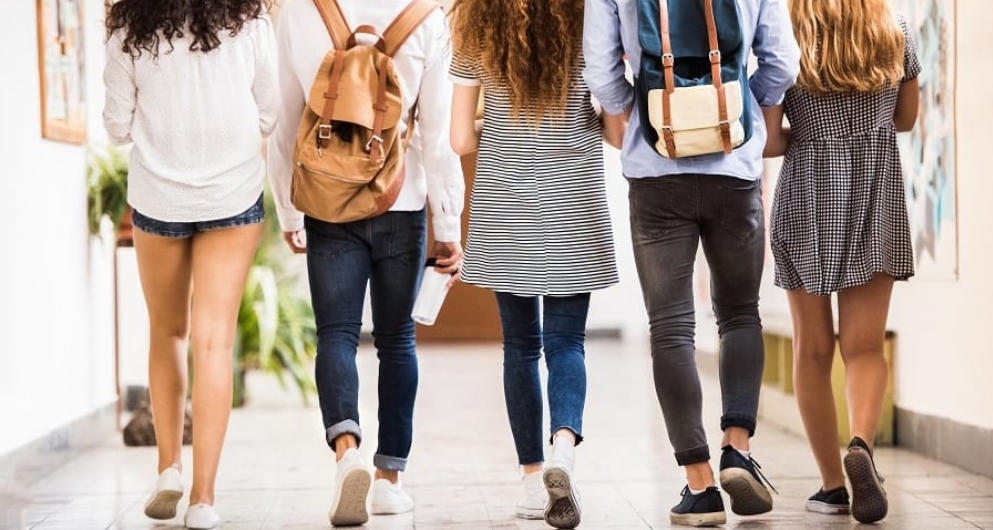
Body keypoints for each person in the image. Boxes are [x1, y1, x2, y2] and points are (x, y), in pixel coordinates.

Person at [583, 0, 799, 526]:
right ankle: (738, 447)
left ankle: (700, 485)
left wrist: (642, 109)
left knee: (671, 329)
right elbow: (783, 62)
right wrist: (742, 101)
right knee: (741, 313)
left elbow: (601, 68)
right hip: (735, 163)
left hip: (656, 170)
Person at [267, 0, 464, 526]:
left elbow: (287, 122)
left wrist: (289, 208)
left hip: (328, 201)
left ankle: (346, 451)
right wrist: (448, 226)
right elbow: (438, 138)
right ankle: (388, 481)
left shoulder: (300, 12)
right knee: (397, 340)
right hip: (400, 200)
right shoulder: (427, 16)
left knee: (335, 334)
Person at [102, 0, 279, 527]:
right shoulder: (250, 23)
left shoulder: (127, 26)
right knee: (214, 341)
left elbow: (115, 126)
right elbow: (268, 113)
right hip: (232, 196)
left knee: (167, 333)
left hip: (159, 199)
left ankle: (168, 468)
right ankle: (203, 499)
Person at [448, 1, 619, 528]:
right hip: (574, 196)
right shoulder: (590, 16)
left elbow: (458, 138)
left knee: (520, 347)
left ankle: (530, 479)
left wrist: (496, 122)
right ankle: (563, 448)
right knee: (567, 342)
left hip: (505, 200)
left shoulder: (478, 23)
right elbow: (614, 129)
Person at [763, 0, 920, 523]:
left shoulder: (785, 35)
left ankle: (833, 485)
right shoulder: (895, 30)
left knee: (813, 349)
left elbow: (767, 139)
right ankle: (862, 448)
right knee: (864, 346)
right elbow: (906, 117)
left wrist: (808, 137)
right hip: (875, 197)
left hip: (805, 198)